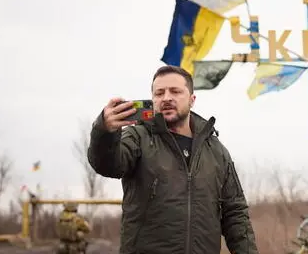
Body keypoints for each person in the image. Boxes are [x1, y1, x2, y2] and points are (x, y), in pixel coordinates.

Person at [87, 65, 258, 254]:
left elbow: (235, 213)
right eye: (159, 93)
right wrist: (104, 131)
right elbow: (108, 165)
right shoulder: (138, 137)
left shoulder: (216, 151)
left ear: (192, 100)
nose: (166, 98)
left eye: (175, 91)